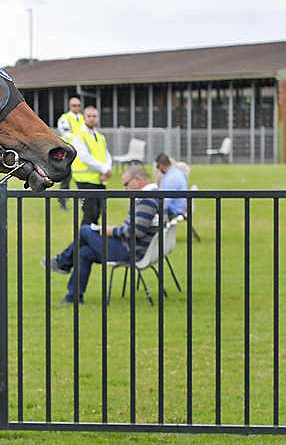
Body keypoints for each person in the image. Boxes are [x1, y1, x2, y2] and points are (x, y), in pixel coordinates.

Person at [44, 165, 159, 304]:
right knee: (84, 252)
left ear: (139, 180)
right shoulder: (154, 195)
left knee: (85, 230)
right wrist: (112, 230)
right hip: (133, 248)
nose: (124, 188)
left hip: (131, 251)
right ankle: (73, 298)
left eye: (126, 184)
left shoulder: (147, 200)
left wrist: (111, 231)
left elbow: (135, 232)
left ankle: (62, 262)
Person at [69, 105, 112, 226]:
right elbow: (84, 157)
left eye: (94, 116)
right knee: (90, 214)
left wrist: (107, 169)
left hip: (99, 180)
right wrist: (104, 169)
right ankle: (81, 242)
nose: (92, 119)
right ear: (84, 117)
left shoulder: (100, 137)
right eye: (89, 116)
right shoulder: (79, 135)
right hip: (85, 180)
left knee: (98, 213)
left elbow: (107, 154)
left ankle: (90, 241)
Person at [53, 97, 85, 209]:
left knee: (81, 179)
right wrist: (79, 140)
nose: (76, 107)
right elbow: (66, 134)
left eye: (78, 105)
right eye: (74, 105)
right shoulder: (64, 118)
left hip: (81, 154)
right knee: (66, 179)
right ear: (70, 106)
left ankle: (84, 202)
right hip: (69, 153)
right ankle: (62, 202)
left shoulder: (82, 118)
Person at [155, 152, 188, 217]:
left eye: (157, 166)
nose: (158, 169)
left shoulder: (171, 177)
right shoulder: (175, 173)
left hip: (173, 211)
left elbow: (165, 201)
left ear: (161, 165)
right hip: (176, 209)